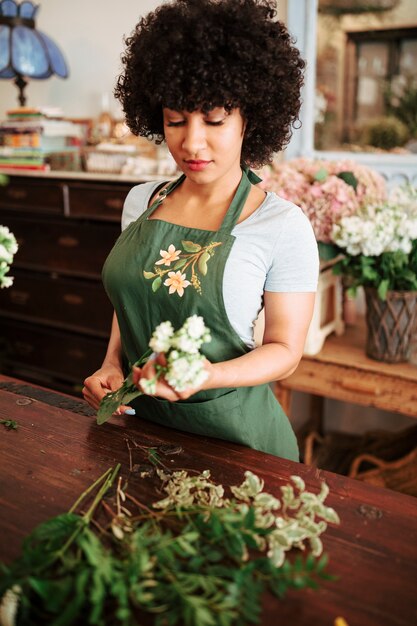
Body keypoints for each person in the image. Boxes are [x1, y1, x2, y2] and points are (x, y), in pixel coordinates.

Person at [82, 0, 319, 461]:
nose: (191, 142)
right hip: (141, 433)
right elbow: (133, 297)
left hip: (240, 446)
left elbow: (286, 350)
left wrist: (204, 375)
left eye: (214, 120)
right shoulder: (142, 202)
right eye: (175, 121)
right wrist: (112, 364)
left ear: (250, 117)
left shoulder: (281, 226)